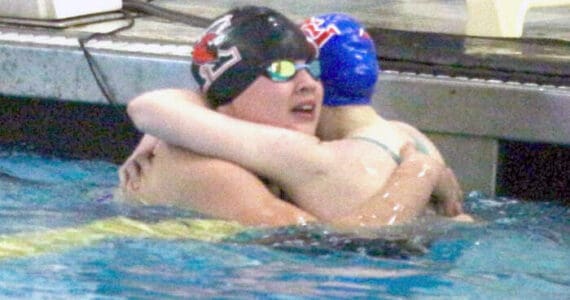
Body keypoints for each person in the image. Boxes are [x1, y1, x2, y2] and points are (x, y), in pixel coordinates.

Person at [124, 9, 468, 227]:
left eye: (311, 68)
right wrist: (421, 170)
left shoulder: (241, 143)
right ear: (228, 97)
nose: (307, 84)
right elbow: (340, 242)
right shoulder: (213, 172)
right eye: (281, 71)